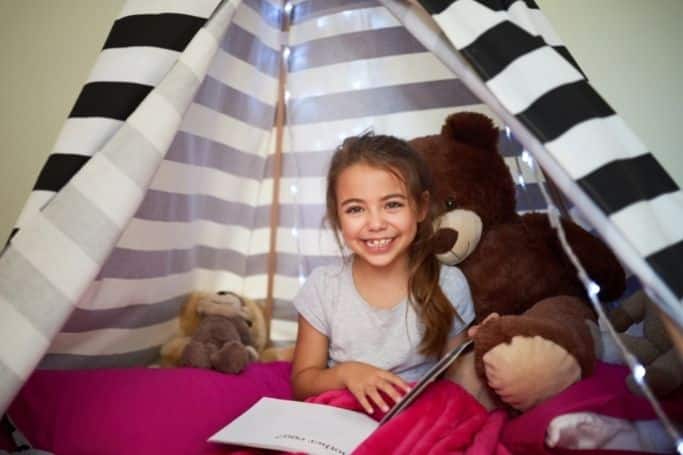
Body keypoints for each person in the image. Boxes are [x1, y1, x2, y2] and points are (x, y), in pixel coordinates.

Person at [291, 133, 475, 415]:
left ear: (421, 207)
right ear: (338, 217)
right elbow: (303, 382)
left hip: (417, 419)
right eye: (355, 209)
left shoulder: (449, 284)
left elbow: (457, 381)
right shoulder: (322, 288)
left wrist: (482, 347)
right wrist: (347, 374)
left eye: (392, 204)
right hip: (343, 418)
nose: (375, 224)